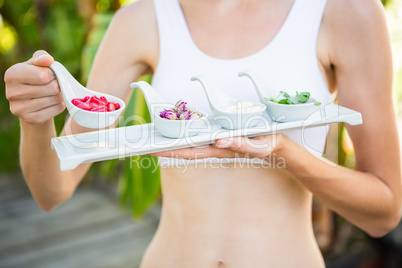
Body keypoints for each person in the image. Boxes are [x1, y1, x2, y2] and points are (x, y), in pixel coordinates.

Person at [4, 0, 401, 267]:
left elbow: (384, 213)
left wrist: (284, 152)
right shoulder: (143, 17)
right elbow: (52, 190)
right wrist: (35, 120)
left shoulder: (345, 11)